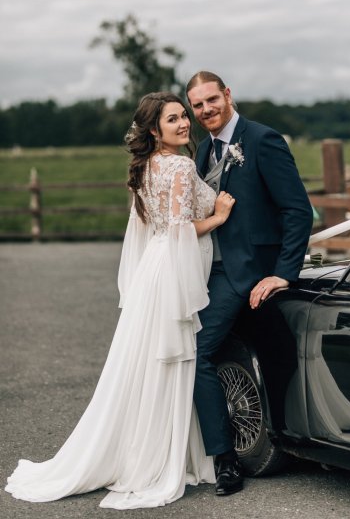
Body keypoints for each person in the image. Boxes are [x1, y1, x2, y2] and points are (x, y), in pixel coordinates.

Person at [5, 92, 235, 510]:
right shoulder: (181, 165)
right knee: (173, 361)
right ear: (154, 130)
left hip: (153, 271)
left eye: (184, 116)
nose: (185, 123)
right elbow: (180, 230)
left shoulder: (146, 168)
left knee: (147, 363)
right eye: (173, 120)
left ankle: (146, 451)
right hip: (172, 273)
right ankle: (160, 459)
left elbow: (152, 229)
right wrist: (218, 217)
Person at [186, 71, 314, 496]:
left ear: (228, 95)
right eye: (197, 105)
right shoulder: (203, 150)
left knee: (198, 350)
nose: (206, 110)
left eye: (211, 100)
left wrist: (283, 273)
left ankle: (226, 462)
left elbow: (297, 209)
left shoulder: (263, 140)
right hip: (209, 272)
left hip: (246, 273)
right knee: (195, 347)